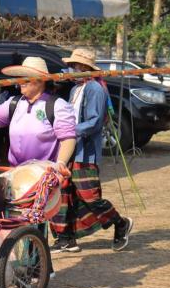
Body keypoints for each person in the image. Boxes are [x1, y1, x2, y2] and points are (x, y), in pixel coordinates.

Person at [49, 48, 134, 252]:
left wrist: (69, 131)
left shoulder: (95, 89)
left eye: (75, 66)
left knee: (90, 196)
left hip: (85, 153)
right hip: (69, 150)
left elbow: (94, 122)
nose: (72, 69)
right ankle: (65, 237)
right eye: (72, 66)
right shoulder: (75, 90)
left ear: (84, 67)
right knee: (64, 193)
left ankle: (120, 223)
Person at [0, 56, 77, 171]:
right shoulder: (14, 103)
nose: (21, 81)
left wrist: (61, 163)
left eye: (26, 77)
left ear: (41, 81)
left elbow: (68, 138)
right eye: (20, 77)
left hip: (45, 176)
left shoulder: (58, 106)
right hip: (15, 174)